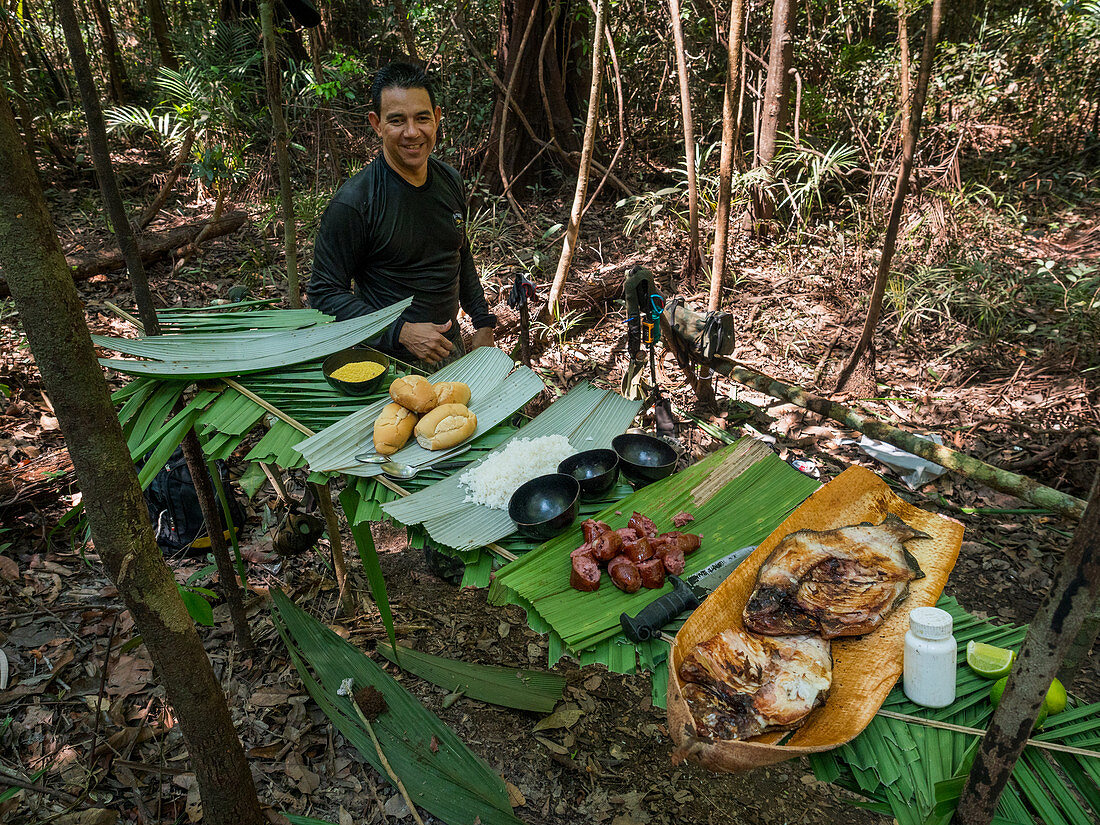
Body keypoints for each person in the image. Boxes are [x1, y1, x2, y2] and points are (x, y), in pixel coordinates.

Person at [309, 62, 496, 369]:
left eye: (422, 118)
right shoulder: (354, 203)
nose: (412, 132)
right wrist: (401, 332)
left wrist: (483, 320)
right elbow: (323, 293)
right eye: (397, 121)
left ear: (436, 118)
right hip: (386, 362)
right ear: (376, 124)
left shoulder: (450, 180)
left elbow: (459, 254)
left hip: (450, 350)